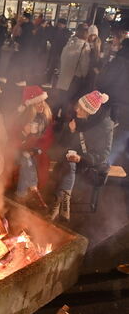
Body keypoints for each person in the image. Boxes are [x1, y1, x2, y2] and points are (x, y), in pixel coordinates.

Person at [50, 91, 113, 221]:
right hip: (74, 157)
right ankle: (64, 201)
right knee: (69, 163)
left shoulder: (105, 126)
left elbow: (104, 153)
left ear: (90, 112)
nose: (77, 110)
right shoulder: (78, 118)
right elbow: (63, 143)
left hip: (91, 162)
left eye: (81, 109)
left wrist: (83, 158)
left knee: (69, 166)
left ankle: (58, 202)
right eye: (78, 106)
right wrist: (70, 131)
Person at [14, 86, 54, 210]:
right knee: (26, 160)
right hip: (19, 151)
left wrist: (37, 150)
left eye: (42, 101)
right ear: (31, 105)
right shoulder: (23, 118)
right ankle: (33, 188)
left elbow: (48, 140)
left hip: (37, 151)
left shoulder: (45, 117)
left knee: (28, 162)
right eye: (37, 102)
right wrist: (24, 134)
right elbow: (13, 141)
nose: (42, 104)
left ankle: (21, 194)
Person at [97, 38, 129, 171]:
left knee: (107, 127)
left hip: (112, 97)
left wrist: (99, 87)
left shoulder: (119, 60)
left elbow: (108, 78)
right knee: (119, 130)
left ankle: (102, 161)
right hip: (124, 101)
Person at [56, 24, 91, 119]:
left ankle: (55, 118)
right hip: (74, 78)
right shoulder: (84, 45)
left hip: (63, 75)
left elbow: (62, 57)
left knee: (61, 98)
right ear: (85, 33)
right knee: (69, 101)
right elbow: (84, 65)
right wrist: (85, 75)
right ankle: (63, 121)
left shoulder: (70, 42)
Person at [44, 18, 71, 86]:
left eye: (61, 24)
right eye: (59, 24)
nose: (59, 25)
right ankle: (49, 81)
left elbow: (66, 42)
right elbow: (50, 38)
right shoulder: (54, 30)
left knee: (58, 67)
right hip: (54, 50)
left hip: (62, 51)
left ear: (64, 25)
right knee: (52, 66)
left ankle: (54, 82)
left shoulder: (67, 32)